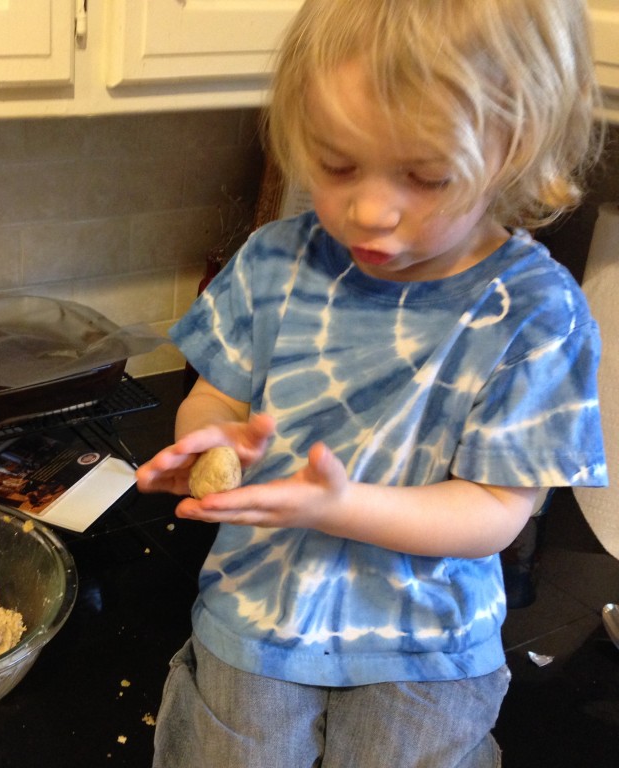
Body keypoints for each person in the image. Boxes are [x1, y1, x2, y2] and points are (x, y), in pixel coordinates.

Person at [134, 1, 608, 765]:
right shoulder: (275, 263)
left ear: (516, 152)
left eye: (425, 176)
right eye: (336, 163)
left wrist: (343, 507)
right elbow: (216, 400)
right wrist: (203, 440)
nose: (370, 210)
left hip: (428, 643)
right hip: (258, 614)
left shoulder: (534, 312)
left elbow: (494, 512)